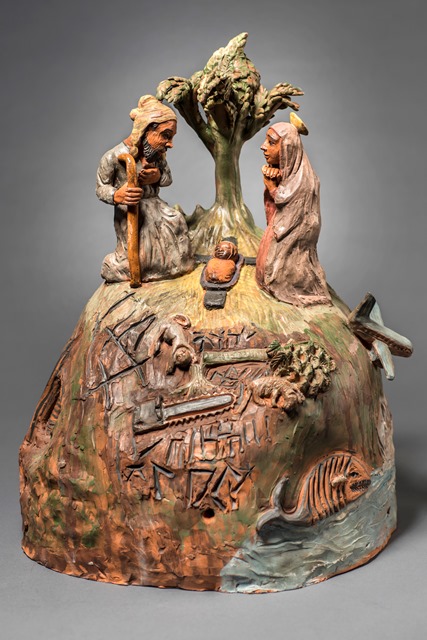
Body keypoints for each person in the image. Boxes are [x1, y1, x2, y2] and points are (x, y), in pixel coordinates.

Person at [96, 95, 194, 283]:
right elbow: (101, 188)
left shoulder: (157, 155)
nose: (170, 144)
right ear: (148, 129)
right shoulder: (113, 157)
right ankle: (139, 269)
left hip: (157, 206)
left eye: (171, 137)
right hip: (133, 211)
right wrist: (117, 195)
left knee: (176, 221)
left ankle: (173, 267)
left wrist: (157, 177)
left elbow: (168, 179)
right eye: (166, 135)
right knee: (142, 248)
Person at [255, 120, 331, 306]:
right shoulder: (288, 172)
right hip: (282, 226)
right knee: (266, 265)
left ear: (287, 149)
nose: (263, 147)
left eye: (271, 143)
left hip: (294, 234)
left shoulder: (305, 179)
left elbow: (287, 201)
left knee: (278, 271)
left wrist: (272, 187)